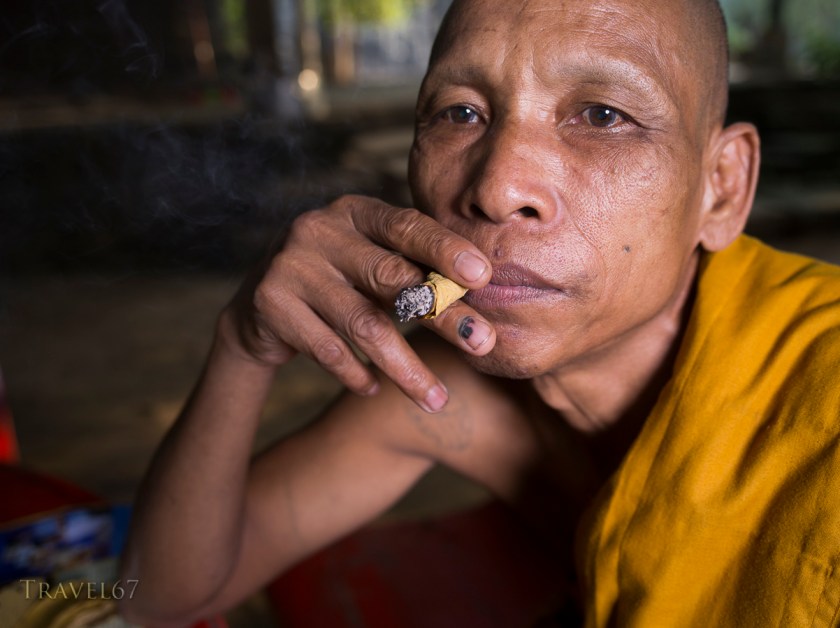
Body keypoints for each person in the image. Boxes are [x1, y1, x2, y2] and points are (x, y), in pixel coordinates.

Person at [120, 0, 840, 625]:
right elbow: (157, 596)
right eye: (460, 113)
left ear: (721, 188)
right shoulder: (445, 388)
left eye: (602, 116)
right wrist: (243, 344)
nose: (496, 188)